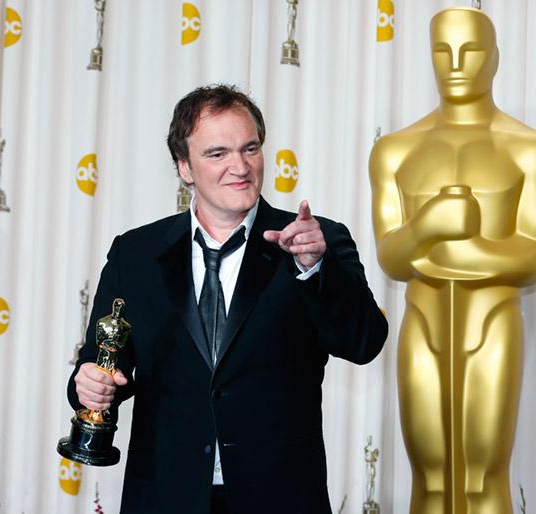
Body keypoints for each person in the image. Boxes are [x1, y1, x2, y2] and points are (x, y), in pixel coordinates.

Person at [69, 84, 388, 514]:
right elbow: (102, 364)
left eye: (250, 148)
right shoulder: (136, 254)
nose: (239, 166)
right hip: (166, 495)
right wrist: (88, 385)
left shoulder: (315, 241)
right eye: (217, 153)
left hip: (280, 497)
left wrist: (315, 269)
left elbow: (364, 342)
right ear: (184, 167)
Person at [369, 7, 536, 514]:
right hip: (422, 322)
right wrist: (428, 228)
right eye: (442, 50)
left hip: (492, 322)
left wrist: (462, 249)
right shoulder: (394, 151)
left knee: (482, 479)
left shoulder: (531, 149)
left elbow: (534, 256)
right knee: (429, 480)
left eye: (471, 50)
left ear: (494, 58)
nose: (456, 63)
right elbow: (389, 254)